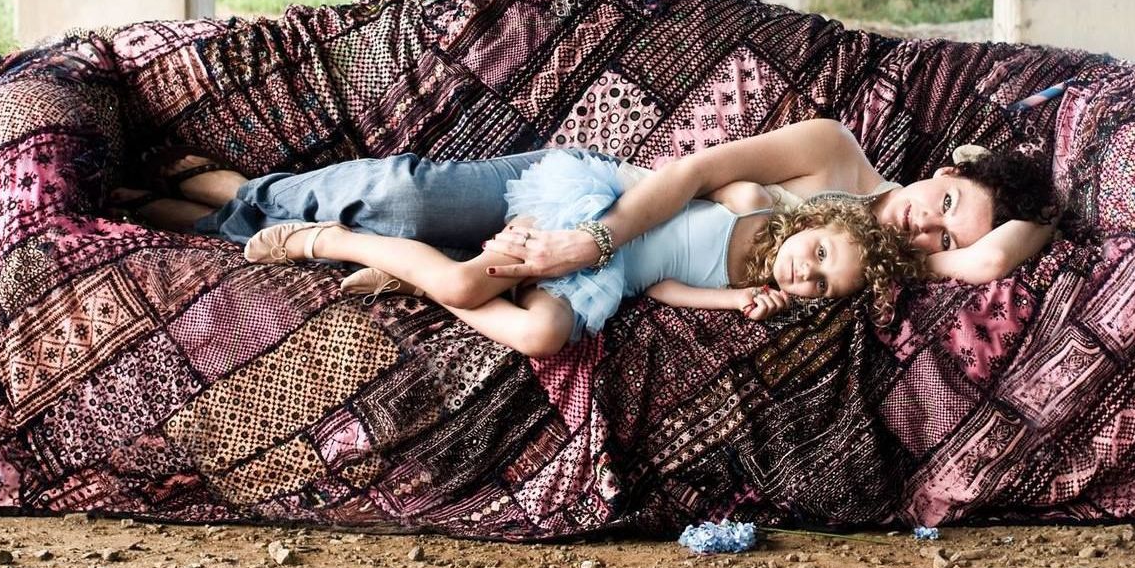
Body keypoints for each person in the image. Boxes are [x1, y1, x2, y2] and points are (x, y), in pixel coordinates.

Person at [112, 120, 1055, 352]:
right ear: (945, 162)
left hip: (609, 255)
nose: (929, 224)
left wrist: (1033, 218)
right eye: (944, 196)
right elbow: (686, 177)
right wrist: (591, 244)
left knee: (426, 250)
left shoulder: (885, 266)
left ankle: (213, 212)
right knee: (403, 199)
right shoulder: (836, 157)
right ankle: (254, 195)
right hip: (596, 200)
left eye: (944, 236)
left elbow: (993, 254)